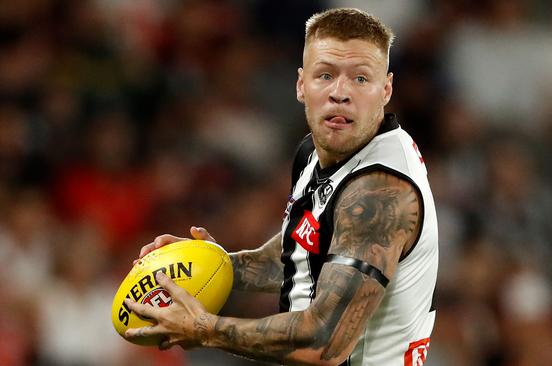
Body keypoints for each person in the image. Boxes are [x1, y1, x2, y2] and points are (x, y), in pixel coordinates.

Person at [125, 8, 439, 366]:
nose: (340, 93)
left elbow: (325, 343)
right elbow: (301, 256)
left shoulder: (379, 193)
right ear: (301, 85)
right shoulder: (316, 153)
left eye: (360, 79)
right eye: (325, 75)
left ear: (386, 89)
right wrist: (213, 264)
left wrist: (204, 329)